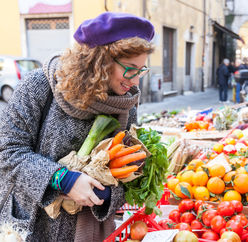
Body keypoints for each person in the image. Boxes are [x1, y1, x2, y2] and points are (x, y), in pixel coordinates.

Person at [0, 12, 154, 241]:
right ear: (100, 61)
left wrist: (108, 194)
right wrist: (62, 180)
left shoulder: (126, 105)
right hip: (29, 226)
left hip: (83, 232)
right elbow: (8, 151)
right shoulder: (39, 85)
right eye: (131, 69)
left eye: (141, 70)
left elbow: (126, 174)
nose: (135, 81)